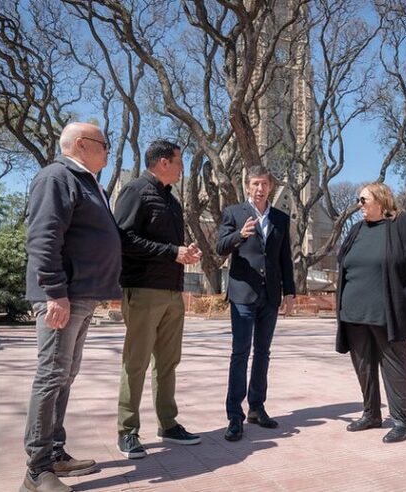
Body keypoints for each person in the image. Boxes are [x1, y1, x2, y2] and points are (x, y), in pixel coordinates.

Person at [22, 122, 122, 492]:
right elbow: (44, 236)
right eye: (104, 145)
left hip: (80, 295)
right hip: (62, 296)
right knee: (51, 376)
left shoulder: (86, 182)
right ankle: (36, 470)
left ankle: (55, 453)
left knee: (65, 375)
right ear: (82, 144)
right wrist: (53, 292)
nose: (109, 152)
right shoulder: (57, 177)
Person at [336, 182, 406, 444]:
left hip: (386, 310)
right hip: (354, 311)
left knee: (393, 364)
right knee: (363, 365)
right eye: (358, 200)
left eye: (364, 200)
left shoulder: (401, 223)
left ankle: (401, 421)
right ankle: (371, 414)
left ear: (381, 200)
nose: (359, 206)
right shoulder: (357, 229)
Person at [113, 140, 203, 459]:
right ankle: (127, 430)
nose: (182, 168)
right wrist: (171, 252)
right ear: (163, 163)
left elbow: (169, 248)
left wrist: (184, 253)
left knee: (168, 361)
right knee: (136, 361)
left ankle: (168, 423)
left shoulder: (173, 202)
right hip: (143, 289)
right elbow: (123, 237)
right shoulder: (136, 190)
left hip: (172, 291)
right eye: (179, 162)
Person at [215, 165, 296, 441]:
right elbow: (220, 247)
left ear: (270, 186)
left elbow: (285, 258)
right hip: (242, 295)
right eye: (255, 184)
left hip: (271, 295)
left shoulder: (281, 218)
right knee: (241, 352)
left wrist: (290, 292)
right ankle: (234, 415)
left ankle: (256, 407)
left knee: (263, 352)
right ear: (247, 187)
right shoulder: (234, 213)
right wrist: (240, 235)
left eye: (264, 184)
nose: (260, 189)